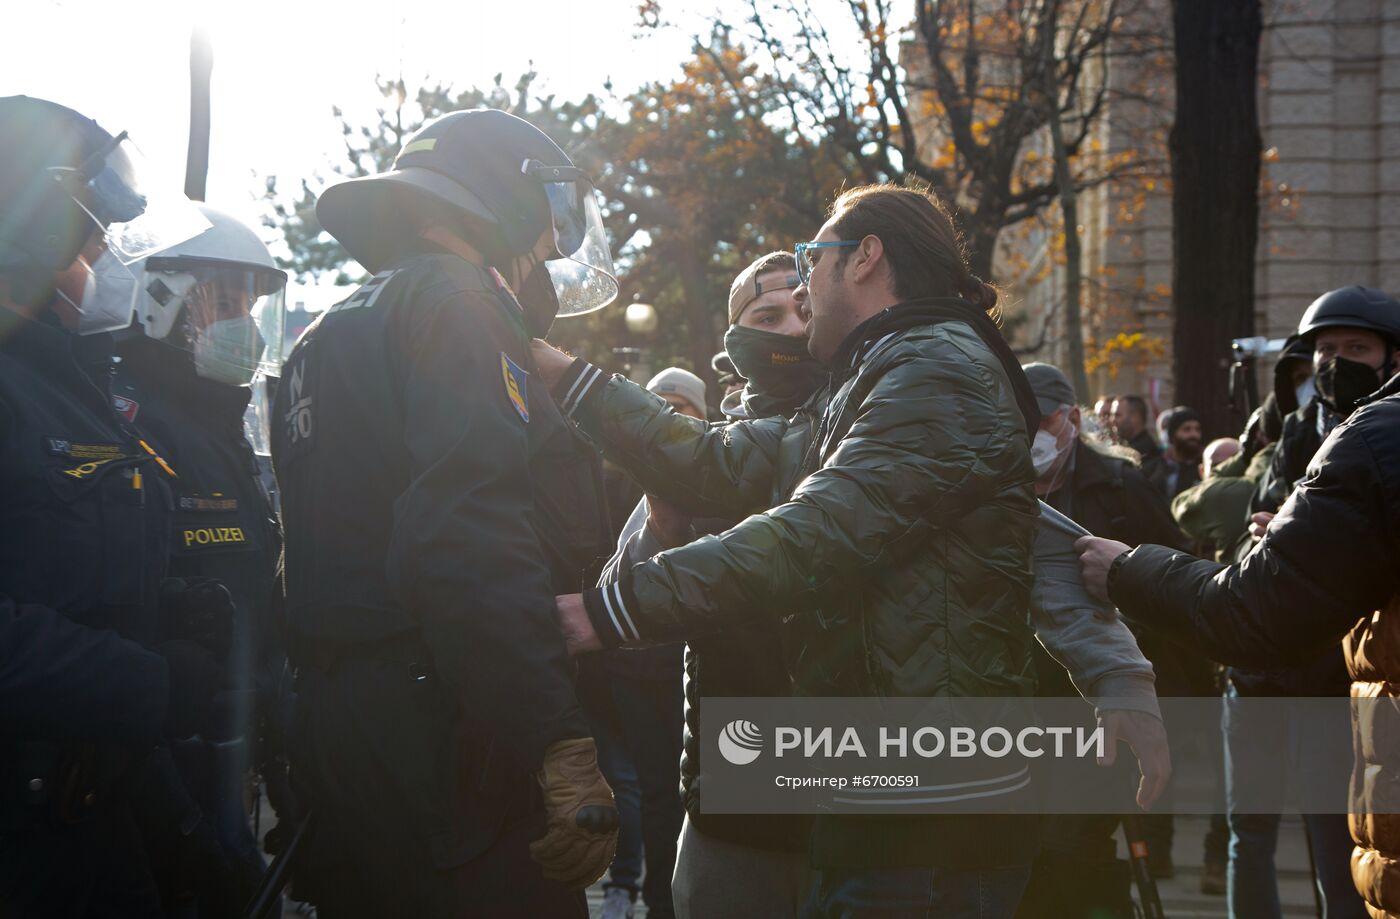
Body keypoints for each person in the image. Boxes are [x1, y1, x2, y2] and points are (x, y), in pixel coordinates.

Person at [537, 184, 1131, 917]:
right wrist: (559, 372)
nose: (801, 290)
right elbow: (717, 460)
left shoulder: (934, 370)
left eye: (809, 259)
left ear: (865, 258)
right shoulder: (877, 373)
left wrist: (610, 609)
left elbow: (814, 531)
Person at [270, 109, 621, 918]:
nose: (544, 254)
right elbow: (468, 539)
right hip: (447, 727)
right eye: (544, 232)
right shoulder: (461, 300)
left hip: (342, 725)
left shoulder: (325, 331)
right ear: (505, 201)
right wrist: (555, 734)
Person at [0, 95, 244, 917]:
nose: (108, 270)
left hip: (90, 811)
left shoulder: (67, 383)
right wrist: (150, 678)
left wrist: (172, 609)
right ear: (30, 231)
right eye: (94, 243)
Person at [1076, 369, 1400, 919]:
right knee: (1249, 831)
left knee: (1320, 839)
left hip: (1306, 683)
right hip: (1255, 686)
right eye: (1324, 351)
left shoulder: (1377, 435)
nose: (1334, 364)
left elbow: (1256, 608)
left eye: (1356, 349)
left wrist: (1128, 569)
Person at [106, 204, 289, 912]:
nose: (242, 320)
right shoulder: (126, 424)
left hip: (236, 757)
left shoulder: (228, 432)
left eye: (249, 304)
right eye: (224, 301)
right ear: (158, 302)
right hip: (158, 775)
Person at [584, 366, 703, 919]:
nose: (669, 417)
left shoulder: (723, 468)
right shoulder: (613, 473)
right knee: (651, 791)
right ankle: (648, 897)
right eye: (660, 405)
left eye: (683, 407)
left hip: (703, 665)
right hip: (635, 665)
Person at [1146, 407, 1204, 500]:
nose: (1194, 435)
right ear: (1172, 435)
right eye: (1186, 429)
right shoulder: (1153, 469)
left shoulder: (1203, 469)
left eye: (1197, 429)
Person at [1112, 395, 1161, 476]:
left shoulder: (1145, 453)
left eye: (1117, 415)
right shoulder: (1128, 446)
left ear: (1135, 417)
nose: (1112, 420)